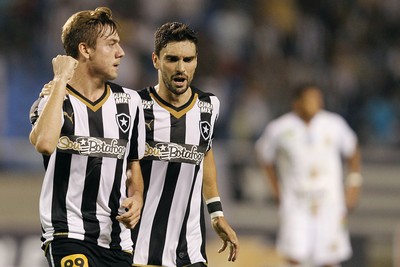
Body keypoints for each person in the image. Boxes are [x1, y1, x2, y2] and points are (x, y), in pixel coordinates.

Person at [29, 7, 145, 267]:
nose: (121, 52)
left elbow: (134, 163)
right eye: (112, 44)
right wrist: (60, 79)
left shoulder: (130, 102)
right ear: (85, 49)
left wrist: (137, 197)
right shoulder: (54, 99)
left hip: (118, 241)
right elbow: (45, 144)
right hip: (68, 233)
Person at [131, 22, 239, 267]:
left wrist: (216, 213)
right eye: (172, 59)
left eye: (188, 59)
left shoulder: (209, 106)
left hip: (189, 251)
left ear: (197, 61)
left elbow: (205, 152)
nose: (181, 68)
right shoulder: (134, 105)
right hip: (140, 250)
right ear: (156, 60)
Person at [255, 83, 362, 267]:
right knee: (294, 256)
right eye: (310, 99)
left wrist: (353, 184)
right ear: (297, 102)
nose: (316, 103)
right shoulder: (280, 128)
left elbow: (353, 151)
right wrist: (275, 190)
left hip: (329, 201)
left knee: (330, 257)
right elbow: (264, 155)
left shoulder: (334, 124)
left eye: (318, 98)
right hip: (296, 202)